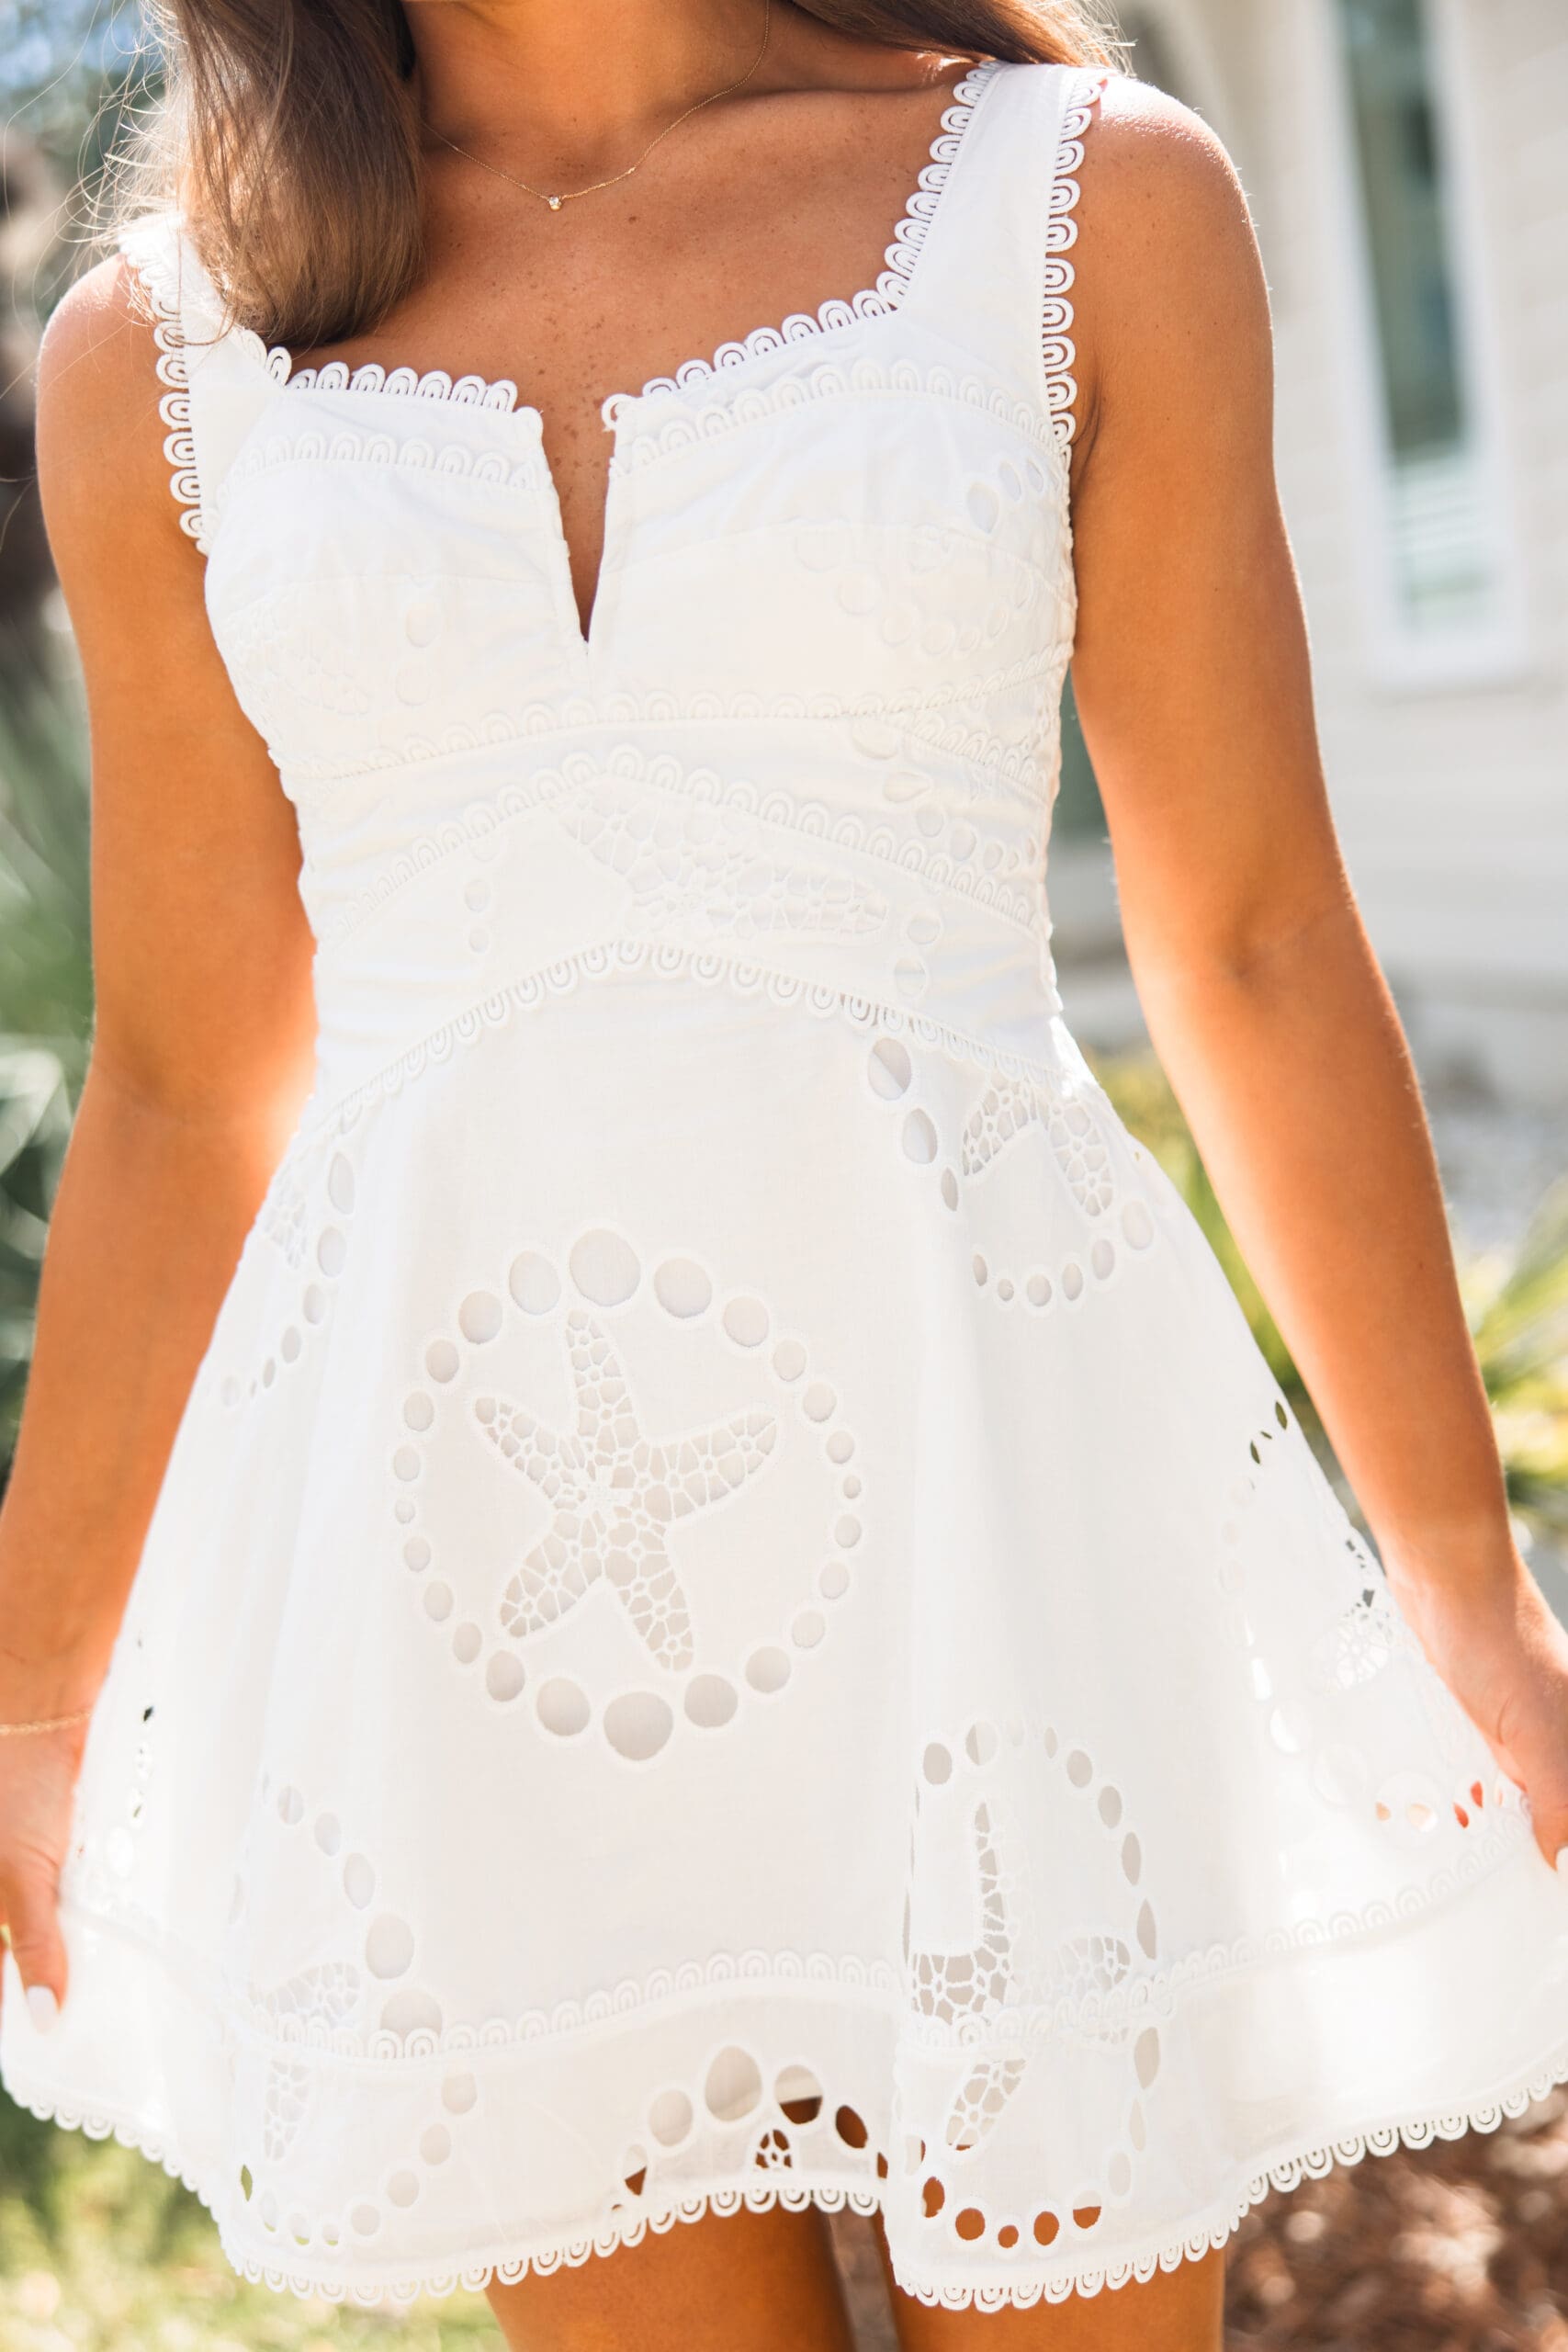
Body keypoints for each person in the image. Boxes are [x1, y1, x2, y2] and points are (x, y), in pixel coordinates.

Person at [4, 3, 1567, 2346]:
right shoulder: (161, 356)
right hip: (484, 1591)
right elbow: (180, 1082)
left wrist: (1460, 1580)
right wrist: (34, 1691)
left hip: (1002, 1519)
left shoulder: (1081, 203)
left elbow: (1241, 931)